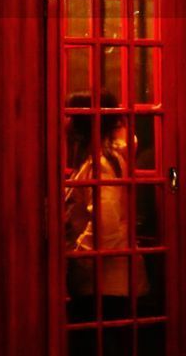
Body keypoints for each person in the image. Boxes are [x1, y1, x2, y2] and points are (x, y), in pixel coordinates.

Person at [63, 94, 149, 321]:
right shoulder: (100, 160)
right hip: (109, 284)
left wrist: (72, 258)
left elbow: (105, 225)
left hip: (106, 287)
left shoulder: (101, 164)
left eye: (70, 116)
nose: (66, 124)